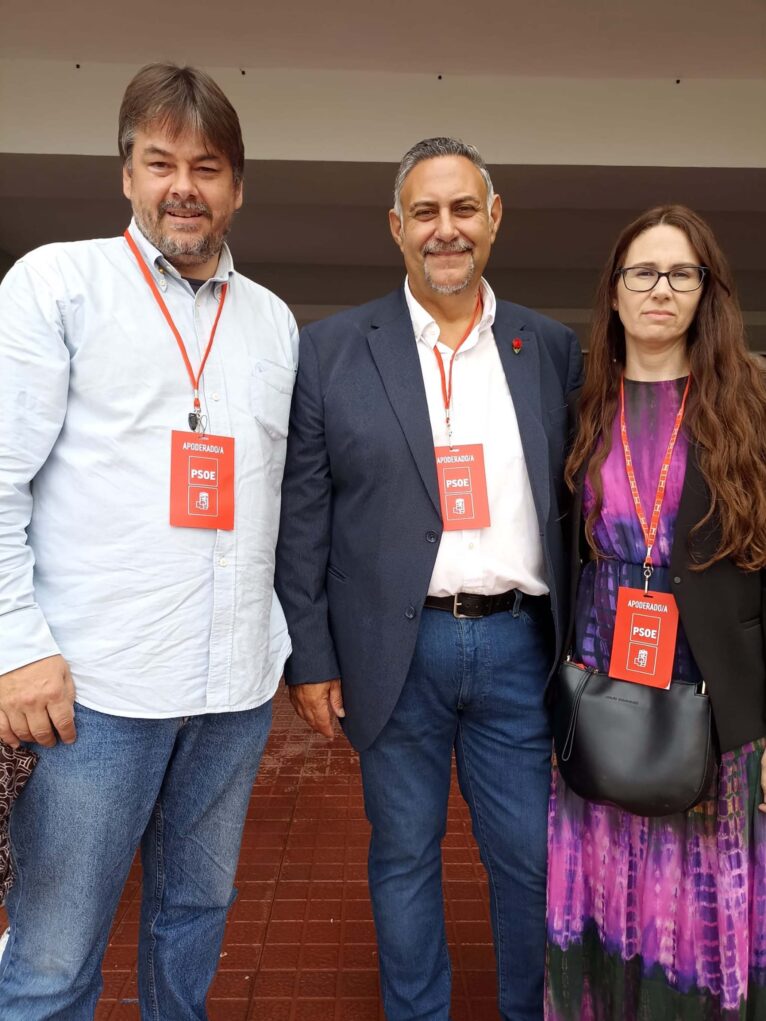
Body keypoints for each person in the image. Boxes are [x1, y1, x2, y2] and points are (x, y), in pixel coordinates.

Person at [0, 63, 298, 1018]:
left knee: (193, 921)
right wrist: (19, 650)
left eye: (206, 167)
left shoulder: (275, 324)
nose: (183, 186)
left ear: (237, 187)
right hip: (93, 693)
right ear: (125, 172)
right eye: (159, 161)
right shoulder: (58, 284)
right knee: (52, 958)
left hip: (233, 692)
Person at [276, 137, 584, 1021]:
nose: (443, 230)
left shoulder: (550, 348)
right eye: (424, 212)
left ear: (493, 219)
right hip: (389, 650)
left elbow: (575, 500)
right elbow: (305, 517)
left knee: (529, 858)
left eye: (461, 210)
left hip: (519, 646)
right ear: (396, 227)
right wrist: (311, 658)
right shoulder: (332, 350)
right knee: (403, 853)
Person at [546, 205, 766, 1019]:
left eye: (682, 273)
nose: (661, 290)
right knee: (607, 894)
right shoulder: (580, 412)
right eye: (644, 272)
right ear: (613, 292)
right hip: (602, 690)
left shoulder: (749, 405)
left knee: (696, 910)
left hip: (714, 701)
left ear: (707, 292)